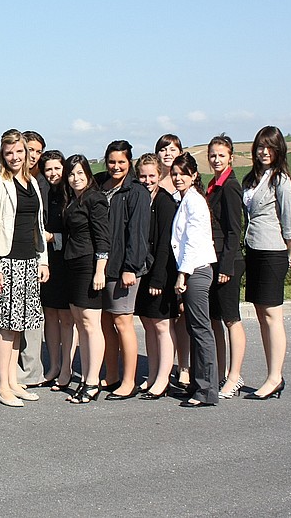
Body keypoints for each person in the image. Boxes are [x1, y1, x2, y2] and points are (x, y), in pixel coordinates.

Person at [0, 130, 49, 407]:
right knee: (5, 328)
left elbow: (39, 225)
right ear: (3, 154)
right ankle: (3, 386)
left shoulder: (32, 182)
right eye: (9, 153)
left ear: (27, 153)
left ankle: (13, 381)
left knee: (19, 326)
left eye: (19, 152)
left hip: (29, 260)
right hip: (6, 263)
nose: (15, 157)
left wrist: (43, 260)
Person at [242, 126, 291, 400]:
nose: (264, 152)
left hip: (273, 252)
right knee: (262, 314)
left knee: (273, 316)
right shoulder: (253, 179)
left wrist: (288, 256)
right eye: (260, 147)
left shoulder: (281, 180)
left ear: (278, 150)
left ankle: (275, 376)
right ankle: (271, 374)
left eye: (269, 147)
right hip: (253, 249)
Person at [97, 140, 149, 400]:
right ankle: (113, 374)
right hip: (103, 266)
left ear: (130, 163)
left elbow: (138, 233)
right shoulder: (100, 184)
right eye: (112, 161)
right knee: (105, 321)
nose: (116, 166)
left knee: (123, 321)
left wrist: (131, 267)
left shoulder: (136, 192)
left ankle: (129, 381)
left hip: (124, 268)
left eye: (121, 162)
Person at [169, 152, 219, 408]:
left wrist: (183, 273)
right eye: (175, 174)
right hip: (192, 270)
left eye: (183, 174)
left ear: (194, 176)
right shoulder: (185, 199)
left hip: (196, 270)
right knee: (195, 329)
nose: (178, 178)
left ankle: (206, 390)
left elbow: (194, 240)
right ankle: (200, 385)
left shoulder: (195, 201)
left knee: (200, 330)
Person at [60, 155, 110, 404]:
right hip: (72, 263)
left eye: (80, 173)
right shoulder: (73, 200)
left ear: (88, 174)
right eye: (71, 174)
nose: (75, 178)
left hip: (90, 265)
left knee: (91, 323)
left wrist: (100, 270)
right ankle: (86, 378)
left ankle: (92, 382)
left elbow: (103, 237)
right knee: (80, 322)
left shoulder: (94, 199)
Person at [133, 153, 179, 400]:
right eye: (143, 175)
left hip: (160, 271)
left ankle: (163, 378)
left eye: (152, 175)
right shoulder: (139, 198)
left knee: (162, 325)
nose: (147, 180)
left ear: (160, 175)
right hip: (142, 270)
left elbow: (164, 243)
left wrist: (159, 279)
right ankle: (151, 375)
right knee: (148, 323)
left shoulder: (165, 202)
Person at [205, 135, 247, 399]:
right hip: (214, 258)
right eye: (213, 155)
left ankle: (234, 376)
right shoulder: (213, 185)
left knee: (231, 319)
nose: (216, 159)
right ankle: (219, 373)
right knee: (214, 320)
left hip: (228, 261)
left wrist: (227, 266)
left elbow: (234, 229)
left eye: (221, 155)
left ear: (230, 157)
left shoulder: (230, 186)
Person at [38, 150, 76, 390]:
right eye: (48, 169)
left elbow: (78, 234)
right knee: (49, 315)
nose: (52, 173)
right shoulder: (45, 192)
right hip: (46, 261)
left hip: (66, 261)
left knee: (66, 318)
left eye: (56, 168)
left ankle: (67, 368)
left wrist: (54, 238)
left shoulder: (70, 195)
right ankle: (53, 365)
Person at [155, 133, 190, 387]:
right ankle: (165, 366)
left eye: (173, 149)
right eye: (163, 149)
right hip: (162, 257)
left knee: (182, 314)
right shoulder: (155, 183)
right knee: (167, 315)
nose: (168, 153)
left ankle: (185, 366)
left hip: (182, 257)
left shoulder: (183, 183)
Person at [16, 130, 48, 387]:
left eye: (38, 151)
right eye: (29, 149)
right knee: (16, 318)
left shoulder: (42, 183)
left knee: (32, 318)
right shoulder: (13, 180)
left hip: (36, 254)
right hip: (17, 254)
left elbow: (41, 223)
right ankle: (19, 369)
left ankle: (31, 370)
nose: (33, 155)